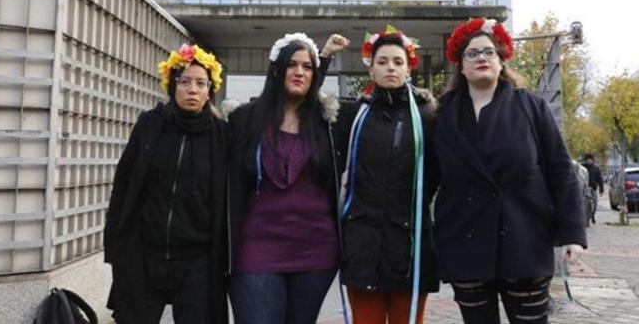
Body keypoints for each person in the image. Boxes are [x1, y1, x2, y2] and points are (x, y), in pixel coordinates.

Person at [433, 18, 587, 324]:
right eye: (472, 54)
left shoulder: (531, 107)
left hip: (524, 240)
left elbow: (561, 171)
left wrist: (572, 233)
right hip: (465, 243)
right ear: (460, 66)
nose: (481, 59)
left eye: (488, 52)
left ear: (501, 61)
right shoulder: (441, 114)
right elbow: (427, 177)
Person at [227, 32, 349, 324]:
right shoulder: (244, 119)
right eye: (292, 65)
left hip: (315, 251)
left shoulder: (327, 122)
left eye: (307, 67)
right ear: (277, 70)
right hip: (256, 247)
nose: (299, 72)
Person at [104, 43, 228, 324]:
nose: (192, 89)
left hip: (198, 259)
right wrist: (115, 245)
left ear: (210, 90)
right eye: (185, 82)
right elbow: (123, 184)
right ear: (173, 86)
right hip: (143, 253)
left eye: (201, 83)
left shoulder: (222, 136)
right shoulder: (150, 124)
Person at [335, 26, 439, 324]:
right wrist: (325, 57)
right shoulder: (353, 115)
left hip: (411, 244)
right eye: (382, 62)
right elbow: (305, 103)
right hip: (363, 244)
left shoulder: (428, 116)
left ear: (409, 67)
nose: (390, 68)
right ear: (371, 68)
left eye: (397, 61)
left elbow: (439, 173)